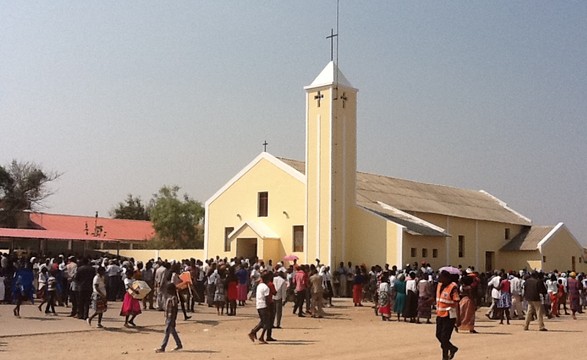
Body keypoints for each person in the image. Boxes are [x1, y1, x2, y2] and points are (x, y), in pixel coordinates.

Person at [435, 270, 461, 360]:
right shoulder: (439, 285)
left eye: (441, 277)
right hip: (440, 314)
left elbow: (457, 303)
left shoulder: (453, 288)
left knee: (445, 337)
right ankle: (452, 348)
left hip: (449, 316)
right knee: (438, 335)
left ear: (447, 278)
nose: (440, 279)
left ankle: (445, 357)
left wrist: (459, 318)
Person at [155, 283, 183, 353]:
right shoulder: (171, 298)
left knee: (167, 332)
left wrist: (172, 320)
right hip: (169, 317)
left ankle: (163, 347)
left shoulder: (172, 299)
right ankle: (179, 344)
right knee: (172, 331)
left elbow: (174, 310)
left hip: (170, 318)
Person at [247, 273, 271, 344]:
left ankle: (255, 332)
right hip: (263, 305)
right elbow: (267, 299)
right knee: (266, 322)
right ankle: (257, 334)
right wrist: (268, 308)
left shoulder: (259, 285)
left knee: (263, 321)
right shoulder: (266, 287)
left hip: (259, 305)